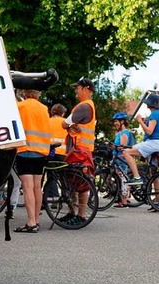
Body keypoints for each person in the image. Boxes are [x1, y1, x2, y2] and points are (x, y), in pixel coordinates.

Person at [14, 89, 51, 233]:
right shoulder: (44, 108)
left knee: (27, 187)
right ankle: (36, 219)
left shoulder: (20, 106)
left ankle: (30, 222)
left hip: (25, 149)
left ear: (25, 93)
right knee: (37, 187)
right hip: (41, 151)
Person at [60, 77, 96, 224]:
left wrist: (68, 125)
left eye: (78, 88)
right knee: (75, 183)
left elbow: (64, 123)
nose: (76, 90)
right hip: (79, 150)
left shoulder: (84, 107)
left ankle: (80, 216)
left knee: (81, 184)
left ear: (86, 89)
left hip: (80, 150)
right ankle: (73, 213)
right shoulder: (88, 106)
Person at [123, 93, 159, 210]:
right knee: (154, 175)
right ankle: (157, 202)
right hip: (156, 144)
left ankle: (137, 177)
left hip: (153, 143)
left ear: (150, 104)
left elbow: (150, 132)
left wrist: (140, 122)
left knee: (127, 152)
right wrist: (144, 121)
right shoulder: (157, 114)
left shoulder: (155, 115)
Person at [111, 112, 135, 208]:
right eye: (114, 121)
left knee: (123, 180)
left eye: (116, 121)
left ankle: (124, 202)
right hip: (117, 159)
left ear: (122, 121)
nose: (115, 123)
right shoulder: (120, 133)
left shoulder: (125, 133)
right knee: (120, 179)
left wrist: (114, 146)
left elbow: (122, 146)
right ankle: (123, 198)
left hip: (121, 159)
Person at [44, 103, 68, 202]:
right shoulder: (66, 122)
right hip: (64, 153)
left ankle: (54, 197)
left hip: (51, 152)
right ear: (62, 113)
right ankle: (65, 195)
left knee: (51, 175)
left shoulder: (47, 121)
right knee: (64, 176)